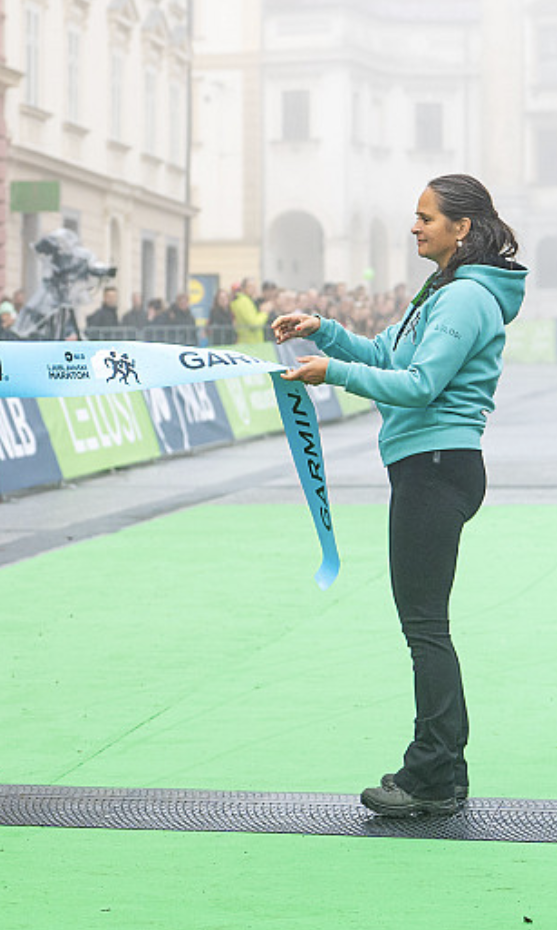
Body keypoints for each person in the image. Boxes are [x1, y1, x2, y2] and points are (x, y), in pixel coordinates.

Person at [275, 174, 524, 817]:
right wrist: (324, 332)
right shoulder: (440, 292)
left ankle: (431, 774)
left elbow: (416, 384)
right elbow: (386, 352)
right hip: (428, 465)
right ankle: (443, 772)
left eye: (426, 217)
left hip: (437, 466)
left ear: (462, 228)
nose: (414, 226)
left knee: (425, 629)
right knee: (425, 627)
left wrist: (332, 372)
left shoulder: (465, 298)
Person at [231, 278, 267, 343]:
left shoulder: (245, 300)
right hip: (250, 343)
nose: (253, 289)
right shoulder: (244, 301)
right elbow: (254, 324)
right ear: (243, 288)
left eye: (254, 287)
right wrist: (264, 312)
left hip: (249, 342)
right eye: (250, 286)